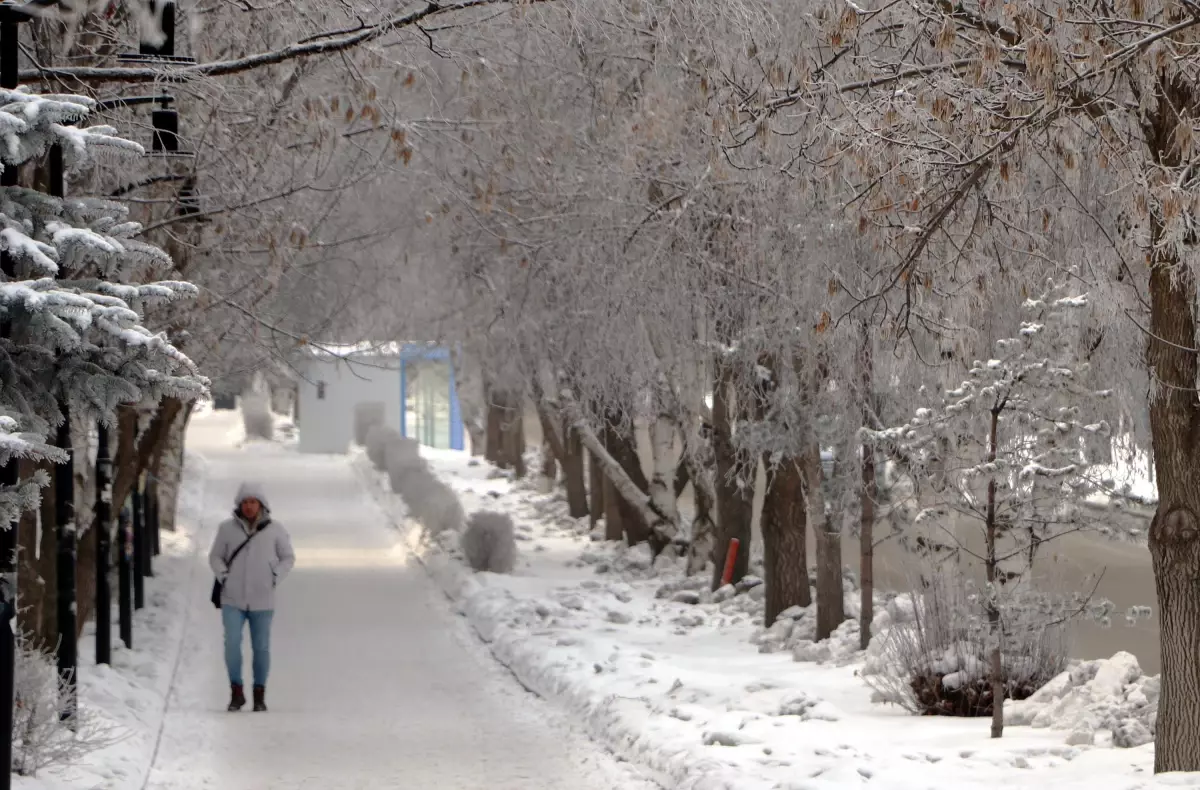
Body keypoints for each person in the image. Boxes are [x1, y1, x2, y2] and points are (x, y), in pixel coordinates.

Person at [209, 482, 295, 712]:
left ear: (261, 505)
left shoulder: (275, 529)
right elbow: (215, 557)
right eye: (245, 502)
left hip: (262, 599)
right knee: (232, 645)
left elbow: (288, 557)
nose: (249, 507)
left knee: (261, 647)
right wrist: (224, 576)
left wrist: (275, 576)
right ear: (239, 505)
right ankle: (236, 691)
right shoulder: (226, 529)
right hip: (232, 598)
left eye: (253, 502)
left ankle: (259, 693)